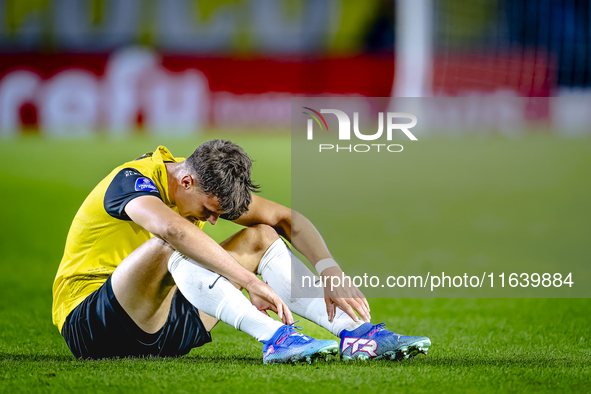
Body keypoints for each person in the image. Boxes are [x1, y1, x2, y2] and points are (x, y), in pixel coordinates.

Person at [52, 139, 430, 363]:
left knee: (262, 235)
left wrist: (328, 268)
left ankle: (356, 334)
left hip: (165, 324)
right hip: (91, 324)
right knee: (174, 238)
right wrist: (246, 280)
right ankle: (276, 339)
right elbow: (170, 229)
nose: (213, 221)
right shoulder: (131, 180)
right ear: (186, 180)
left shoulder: (197, 186)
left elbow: (285, 218)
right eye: (209, 211)